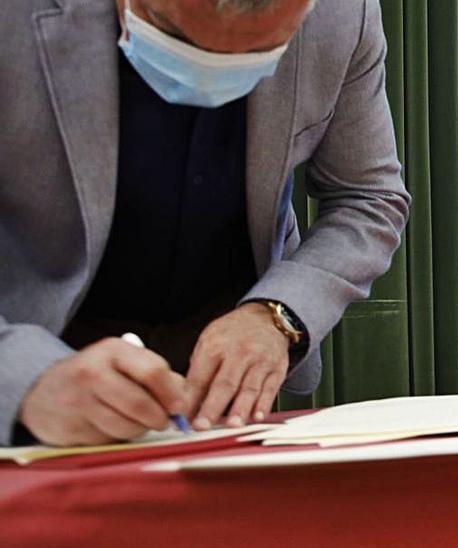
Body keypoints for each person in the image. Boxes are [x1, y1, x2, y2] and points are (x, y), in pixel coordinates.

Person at [0, 0, 410, 446]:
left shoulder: (341, 15)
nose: (212, 69)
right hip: (33, 354)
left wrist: (277, 315)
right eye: (173, 34)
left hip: (218, 394)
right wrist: (24, 375)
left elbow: (367, 198)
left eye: (260, 51)